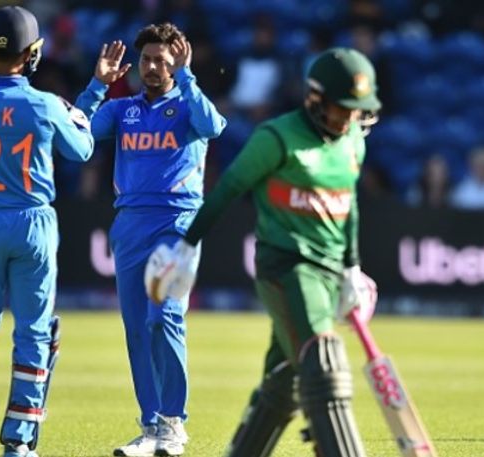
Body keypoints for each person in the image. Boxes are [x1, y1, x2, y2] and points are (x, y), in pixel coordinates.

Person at [145, 47, 380, 457]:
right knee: (324, 362)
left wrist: (352, 269)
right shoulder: (276, 138)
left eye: (356, 111)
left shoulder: (353, 143)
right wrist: (186, 246)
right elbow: (228, 189)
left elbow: (350, 207)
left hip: (328, 273)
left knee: (284, 380)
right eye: (341, 109)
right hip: (285, 267)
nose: (348, 119)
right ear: (315, 98)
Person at [0, 6, 94, 457]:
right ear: (33, 56)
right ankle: (19, 441)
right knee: (34, 331)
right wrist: (91, 97)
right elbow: (83, 150)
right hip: (33, 224)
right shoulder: (46, 105)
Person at [74, 22, 226, 457]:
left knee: (165, 315)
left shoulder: (188, 103)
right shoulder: (124, 110)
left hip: (177, 221)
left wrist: (190, 76)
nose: (154, 67)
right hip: (130, 224)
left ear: (176, 63)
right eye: (148, 60)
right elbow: (77, 136)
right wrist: (97, 85)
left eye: (163, 60)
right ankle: (152, 425)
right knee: (138, 328)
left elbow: (213, 127)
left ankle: (173, 423)